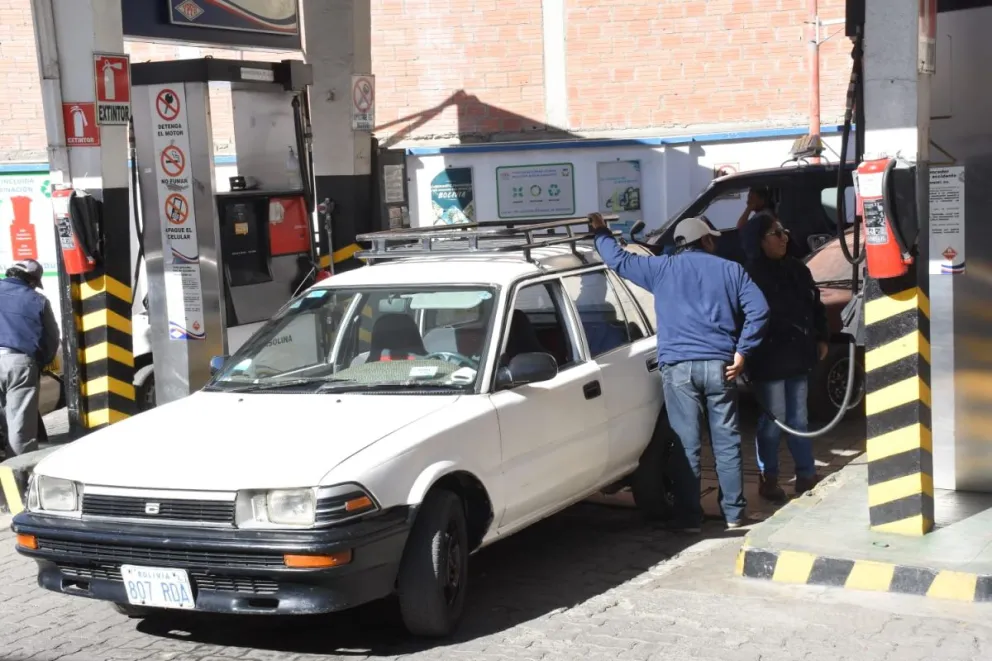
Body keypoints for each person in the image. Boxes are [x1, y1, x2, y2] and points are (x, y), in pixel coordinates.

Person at [588, 212, 770, 532]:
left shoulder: (661, 268)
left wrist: (601, 232)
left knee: (686, 445)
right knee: (726, 442)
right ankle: (733, 515)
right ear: (706, 240)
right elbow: (760, 309)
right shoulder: (731, 270)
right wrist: (743, 352)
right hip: (721, 367)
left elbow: (617, 259)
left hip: (678, 369)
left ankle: (689, 519)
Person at [740, 214, 828, 501]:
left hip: (798, 356)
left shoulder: (797, 269)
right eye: (776, 233)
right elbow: (743, 319)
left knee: (799, 420)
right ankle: (769, 478)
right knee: (773, 421)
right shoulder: (749, 275)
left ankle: (806, 474)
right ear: (759, 240)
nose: (784, 238)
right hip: (768, 360)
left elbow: (815, 305)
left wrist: (821, 336)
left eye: (784, 231)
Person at [0, 259, 60, 457]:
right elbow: (51, 338)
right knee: (20, 427)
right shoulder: (38, 300)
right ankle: (19, 472)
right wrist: (41, 362)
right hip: (19, 363)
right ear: (32, 281)